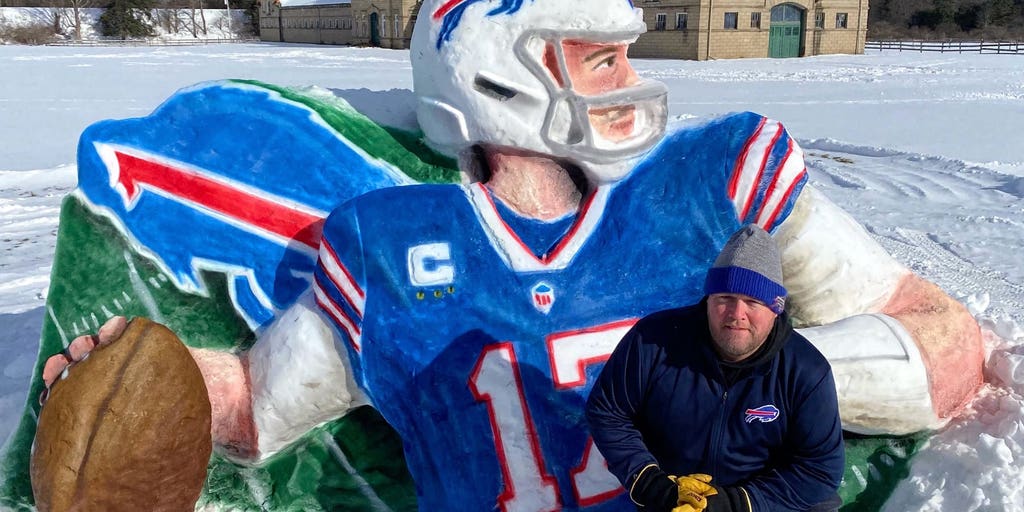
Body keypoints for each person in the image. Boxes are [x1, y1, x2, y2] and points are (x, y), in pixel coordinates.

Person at [41, 0, 983, 510]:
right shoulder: (389, 247)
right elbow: (259, 409)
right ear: (496, 69)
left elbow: (941, 344)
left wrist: (764, 377)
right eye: (599, 59)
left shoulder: (713, 186)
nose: (631, 82)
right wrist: (144, 391)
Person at [585, 224, 845, 512]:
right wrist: (650, 482)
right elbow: (608, 411)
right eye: (725, 299)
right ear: (708, 299)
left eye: (753, 302)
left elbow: (820, 469)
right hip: (675, 495)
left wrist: (737, 503)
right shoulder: (653, 341)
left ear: (775, 309)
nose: (737, 314)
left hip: (761, 501)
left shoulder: (806, 371)